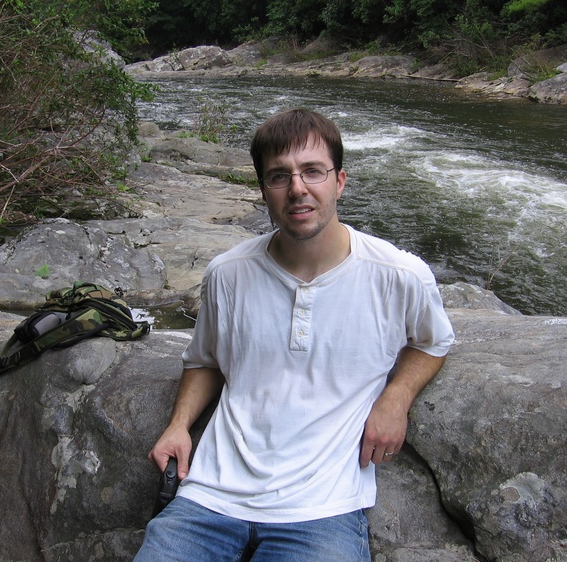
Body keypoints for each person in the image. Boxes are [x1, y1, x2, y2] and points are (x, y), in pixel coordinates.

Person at [134, 108, 454, 561]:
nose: (298, 189)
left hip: (322, 508)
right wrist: (179, 425)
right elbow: (205, 360)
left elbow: (433, 342)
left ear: (340, 181)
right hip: (209, 496)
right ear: (263, 190)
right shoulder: (228, 274)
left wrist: (396, 397)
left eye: (313, 172)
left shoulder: (398, 275)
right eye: (279, 176)